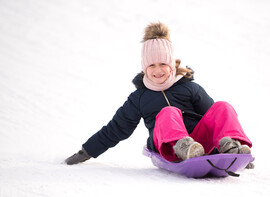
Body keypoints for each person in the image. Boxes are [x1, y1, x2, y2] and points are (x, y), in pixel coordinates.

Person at [65, 22, 254, 168]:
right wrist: (86, 152)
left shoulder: (189, 88)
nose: (158, 70)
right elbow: (116, 129)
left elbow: (215, 119)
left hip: (199, 146)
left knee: (222, 106)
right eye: (151, 65)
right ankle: (183, 148)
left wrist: (236, 160)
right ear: (144, 68)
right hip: (167, 148)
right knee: (168, 112)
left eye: (163, 64)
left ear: (172, 65)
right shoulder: (139, 98)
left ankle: (233, 148)